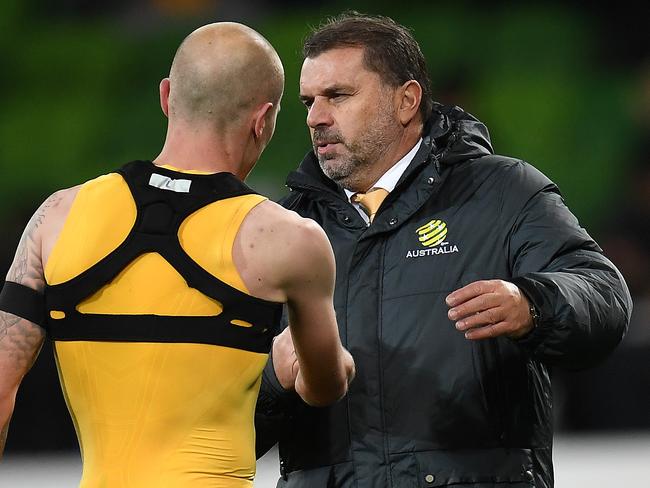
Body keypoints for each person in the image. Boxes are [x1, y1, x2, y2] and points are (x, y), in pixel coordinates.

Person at [254, 12, 631, 488]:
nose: (315, 118)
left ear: (406, 100)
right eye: (309, 101)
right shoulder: (280, 230)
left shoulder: (502, 191)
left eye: (338, 96)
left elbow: (604, 296)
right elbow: (221, 430)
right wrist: (272, 380)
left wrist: (533, 304)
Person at [0, 22, 354, 487]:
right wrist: (322, 363)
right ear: (262, 120)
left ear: (166, 96)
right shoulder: (288, 238)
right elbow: (324, 387)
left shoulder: (56, 215)